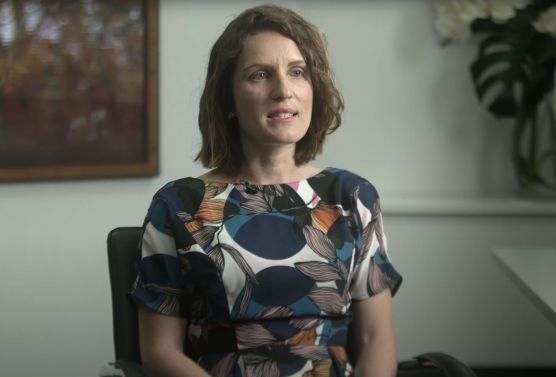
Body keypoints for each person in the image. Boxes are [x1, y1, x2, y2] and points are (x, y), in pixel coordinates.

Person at [130, 5, 401, 377]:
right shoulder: (179, 205)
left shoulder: (353, 196)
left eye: (297, 72)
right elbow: (160, 352)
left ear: (313, 89)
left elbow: (375, 341)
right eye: (260, 75)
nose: (283, 91)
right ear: (227, 101)